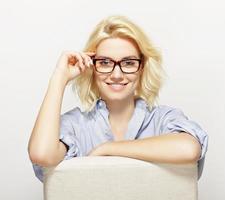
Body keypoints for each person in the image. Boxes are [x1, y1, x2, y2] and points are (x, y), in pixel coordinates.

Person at [28, 15, 209, 182]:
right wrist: (59, 77)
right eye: (105, 62)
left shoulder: (162, 118)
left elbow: (189, 148)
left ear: (142, 68)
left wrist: (108, 149)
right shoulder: (76, 125)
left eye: (128, 63)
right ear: (92, 66)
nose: (116, 74)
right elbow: (42, 154)